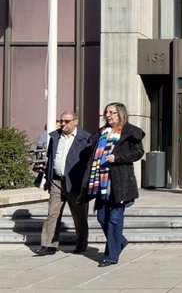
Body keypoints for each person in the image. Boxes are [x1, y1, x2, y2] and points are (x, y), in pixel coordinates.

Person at [81, 102, 145, 267]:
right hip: (100, 182)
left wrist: (118, 158)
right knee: (102, 217)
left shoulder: (130, 132)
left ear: (120, 114)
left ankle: (110, 256)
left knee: (115, 219)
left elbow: (138, 152)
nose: (108, 115)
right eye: (106, 112)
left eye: (111, 112)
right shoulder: (102, 132)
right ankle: (120, 241)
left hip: (120, 182)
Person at [33, 112, 93, 256]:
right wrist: (48, 178)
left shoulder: (86, 138)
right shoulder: (55, 136)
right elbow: (51, 157)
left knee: (79, 215)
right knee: (52, 214)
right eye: (61, 121)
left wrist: (86, 184)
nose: (63, 124)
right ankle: (49, 245)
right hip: (56, 181)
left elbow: (89, 163)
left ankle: (81, 242)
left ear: (75, 122)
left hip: (75, 183)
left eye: (66, 121)